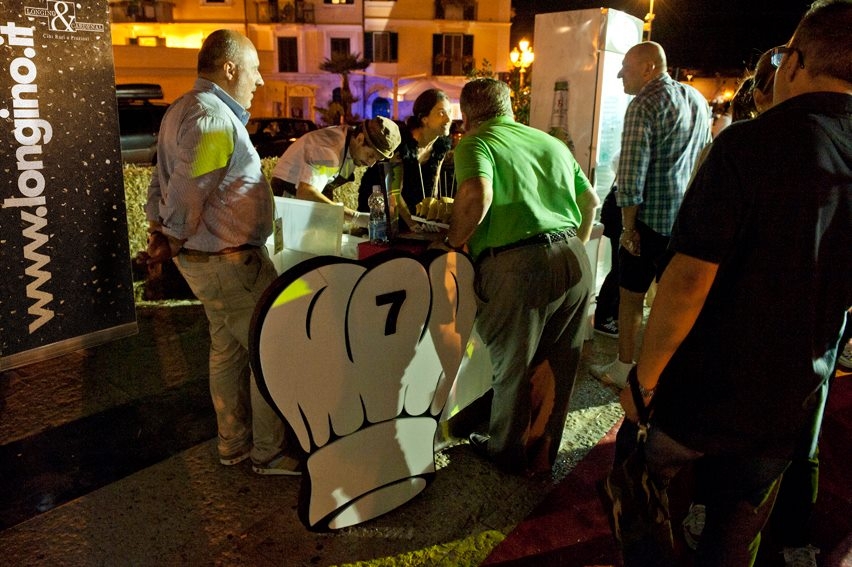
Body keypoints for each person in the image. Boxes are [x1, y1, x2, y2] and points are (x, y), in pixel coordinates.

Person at [611, 1, 852, 564]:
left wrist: (644, 380)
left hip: (706, 391)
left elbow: (687, 282)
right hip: (790, 399)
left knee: (642, 497)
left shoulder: (751, 143)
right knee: (734, 537)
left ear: (795, 62)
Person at [144, 29, 298, 475]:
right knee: (272, 351)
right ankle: (269, 452)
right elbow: (188, 191)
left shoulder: (182, 109)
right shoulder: (211, 118)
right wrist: (170, 236)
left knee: (228, 351)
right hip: (231, 264)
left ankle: (234, 445)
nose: (260, 80)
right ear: (229, 68)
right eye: (254, 69)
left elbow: (158, 182)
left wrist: (161, 231)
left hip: (212, 263)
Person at [440, 78, 600, 475]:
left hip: (518, 267)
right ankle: (541, 453)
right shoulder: (551, 143)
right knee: (557, 366)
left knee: (513, 366)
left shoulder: (476, 142)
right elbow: (590, 201)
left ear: (467, 115)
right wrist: (566, 248)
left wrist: (452, 244)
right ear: (510, 109)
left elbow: (476, 196)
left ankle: (506, 454)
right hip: (574, 259)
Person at [590, 41, 711, 388]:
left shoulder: (643, 104)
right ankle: (662, 371)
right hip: (681, 219)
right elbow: (704, 154)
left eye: (625, 68)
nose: (619, 74)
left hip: (647, 222)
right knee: (670, 301)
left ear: (648, 68)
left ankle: (624, 367)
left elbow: (631, 175)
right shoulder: (695, 99)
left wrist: (628, 228)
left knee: (631, 298)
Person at [269, 115, 401, 225]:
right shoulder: (330, 151)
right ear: (360, 139)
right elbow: (305, 193)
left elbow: (324, 188)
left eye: (376, 160)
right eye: (371, 155)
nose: (371, 164)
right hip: (285, 204)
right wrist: (354, 217)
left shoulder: (351, 144)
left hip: (302, 208)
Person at [389, 88, 454, 232]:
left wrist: (432, 218)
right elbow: (394, 192)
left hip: (418, 215)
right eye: (441, 113)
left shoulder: (440, 146)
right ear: (424, 118)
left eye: (450, 112)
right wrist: (413, 224)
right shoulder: (401, 144)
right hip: (393, 214)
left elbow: (433, 186)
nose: (449, 119)